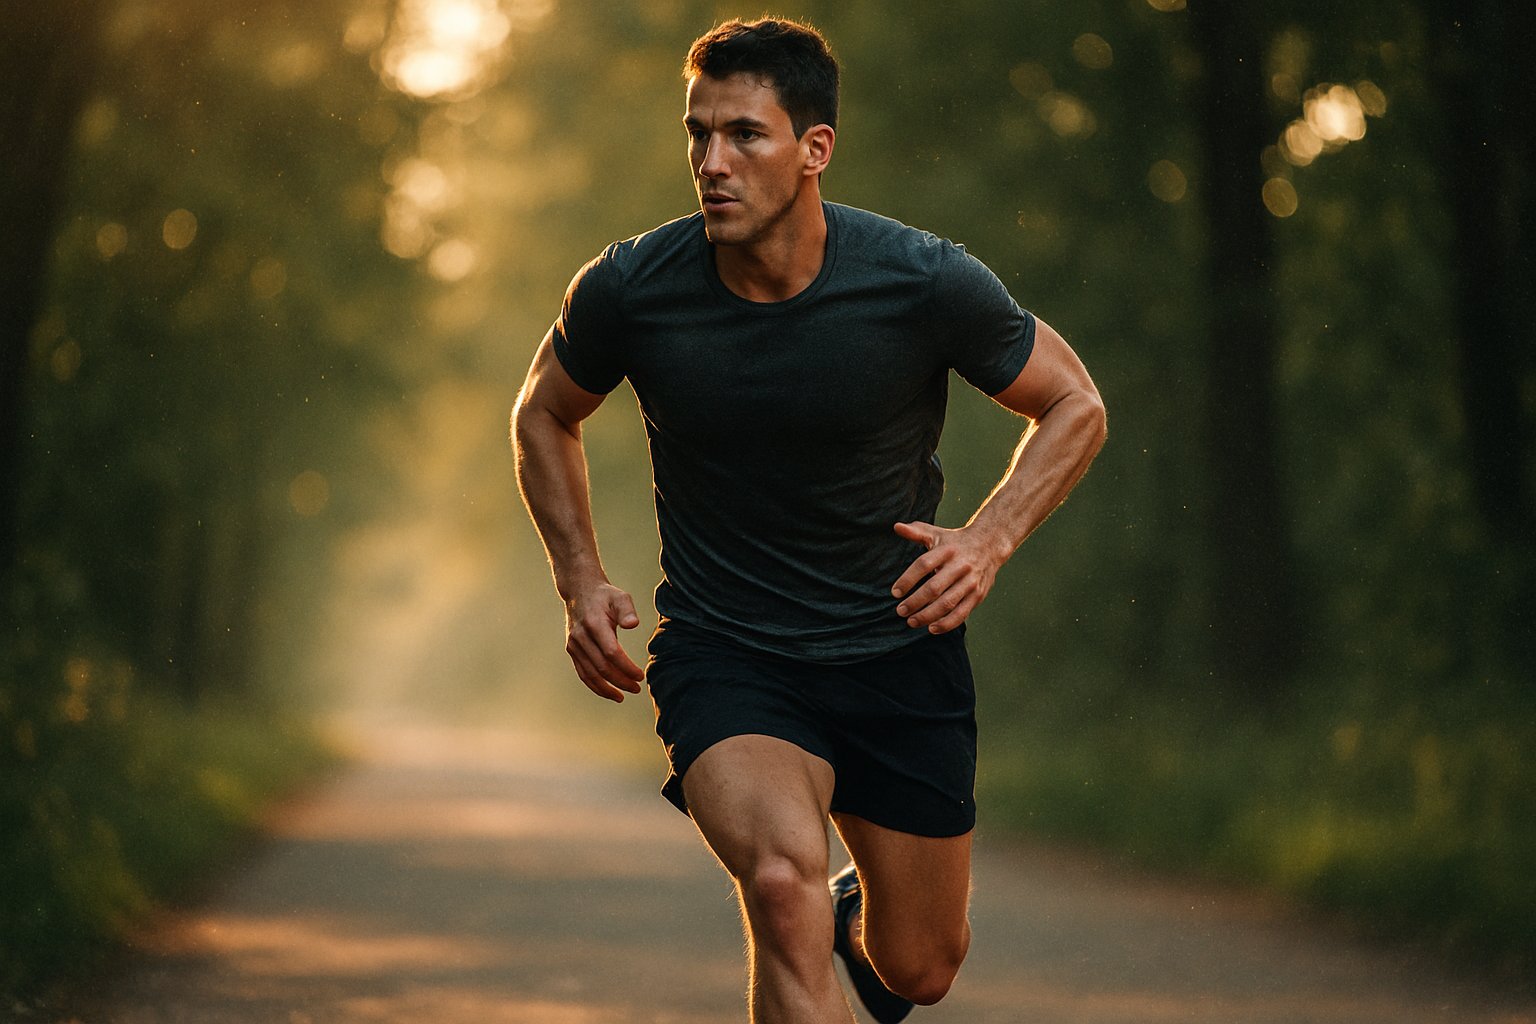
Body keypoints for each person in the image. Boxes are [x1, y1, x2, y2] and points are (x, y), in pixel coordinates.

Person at [512, 17, 1106, 1024]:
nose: (711, 162)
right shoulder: (633, 288)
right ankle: (810, 916)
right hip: (728, 650)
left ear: (814, 149)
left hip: (895, 650)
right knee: (783, 886)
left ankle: (856, 918)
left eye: (744, 134)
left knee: (918, 966)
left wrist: (988, 537)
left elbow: (1075, 403)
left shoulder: (918, 280)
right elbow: (544, 409)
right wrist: (578, 574)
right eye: (698, 134)